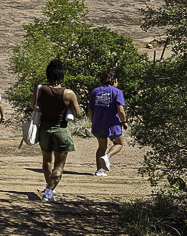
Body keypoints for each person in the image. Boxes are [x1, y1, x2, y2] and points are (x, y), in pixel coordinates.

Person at [32, 59, 81, 202]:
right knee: (59, 165)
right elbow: (77, 114)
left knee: (47, 160)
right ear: (61, 76)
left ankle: (49, 189)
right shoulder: (68, 93)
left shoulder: (40, 89)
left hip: (44, 129)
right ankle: (48, 193)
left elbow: (32, 105)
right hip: (61, 130)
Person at [88, 70, 127, 176]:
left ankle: (99, 171)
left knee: (101, 147)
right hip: (112, 125)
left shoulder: (95, 91)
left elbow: (90, 110)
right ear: (114, 80)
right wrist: (124, 121)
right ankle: (107, 157)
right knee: (119, 143)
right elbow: (120, 110)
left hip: (98, 124)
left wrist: (93, 121)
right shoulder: (117, 92)